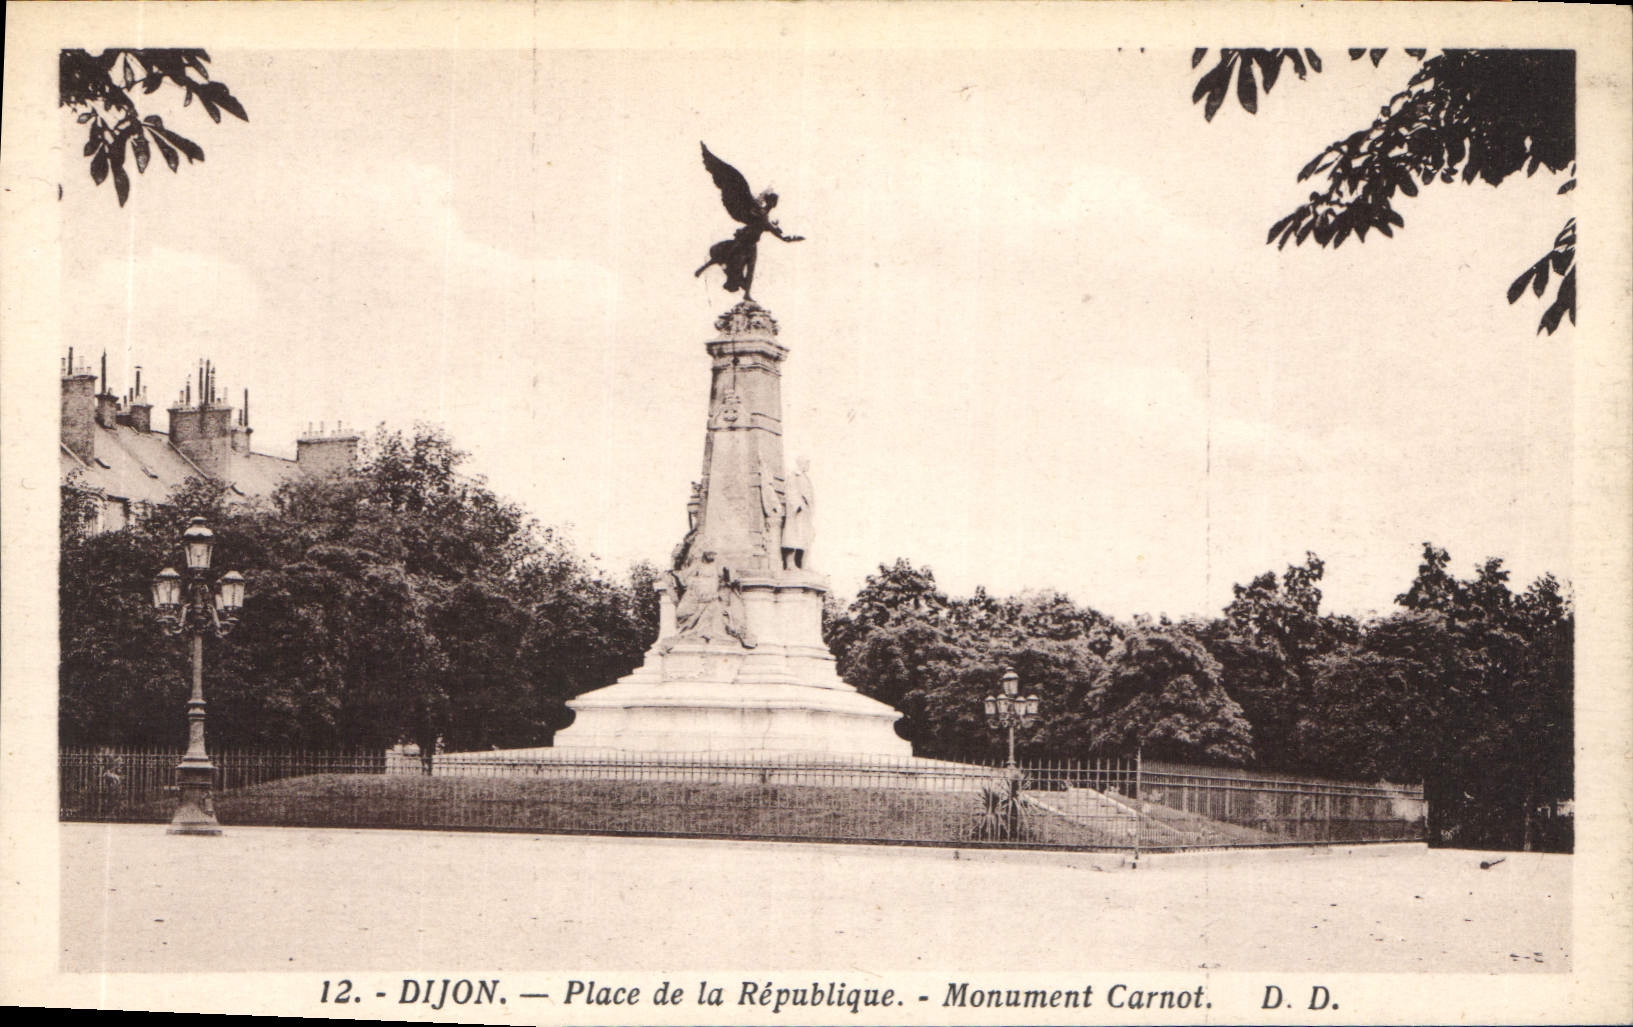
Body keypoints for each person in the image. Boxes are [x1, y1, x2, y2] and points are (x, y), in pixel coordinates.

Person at [781, 457, 814, 570]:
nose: (808, 465)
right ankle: (790, 563)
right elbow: (791, 491)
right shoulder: (794, 476)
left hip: (805, 513)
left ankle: (802, 564)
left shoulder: (805, 478)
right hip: (797, 512)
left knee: (804, 538)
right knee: (793, 538)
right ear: (801, 463)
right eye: (806, 462)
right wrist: (798, 505)